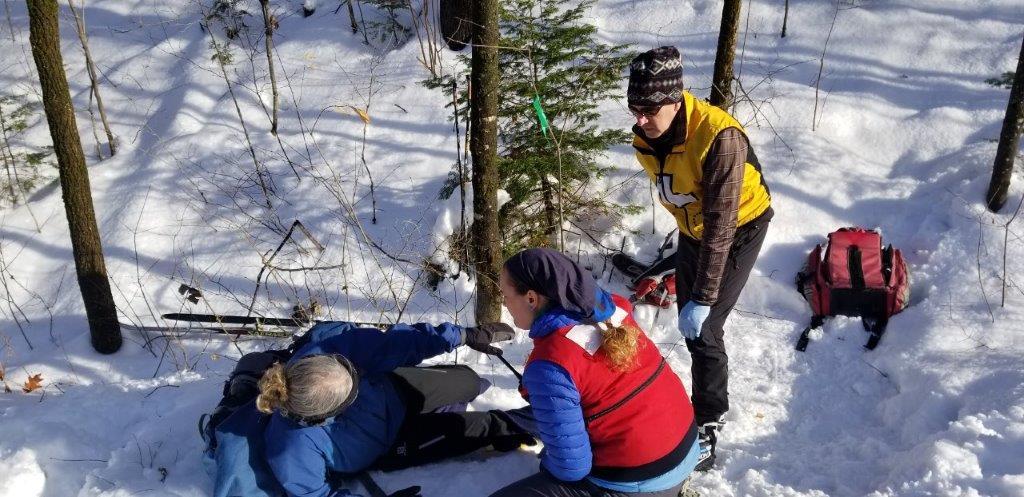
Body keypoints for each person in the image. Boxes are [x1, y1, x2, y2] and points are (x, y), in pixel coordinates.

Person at [626, 46, 773, 471]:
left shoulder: (719, 137)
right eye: (634, 107)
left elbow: (721, 225)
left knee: (704, 325)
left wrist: (705, 295)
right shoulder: (648, 135)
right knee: (691, 327)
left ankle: (709, 421)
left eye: (649, 108)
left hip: (739, 226)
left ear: (676, 98)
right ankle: (693, 402)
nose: (640, 118)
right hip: (695, 231)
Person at [489, 248, 700, 497]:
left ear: (531, 298)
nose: (504, 302)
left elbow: (570, 469)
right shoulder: (615, 310)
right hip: (684, 447)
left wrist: (550, 460)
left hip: (639, 479)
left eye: (505, 294)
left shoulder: (551, 363)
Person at [255, 320, 532, 497]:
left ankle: (448, 405)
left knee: (470, 380)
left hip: (393, 390)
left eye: (353, 373)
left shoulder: (326, 353)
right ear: (328, 415)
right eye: (352, 392)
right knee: (482, 427)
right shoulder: (290, 448)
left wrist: (463, 335)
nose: (356, 379)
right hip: (388, 445)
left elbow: (392, 344)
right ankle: (520, 425)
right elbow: (315, 495)